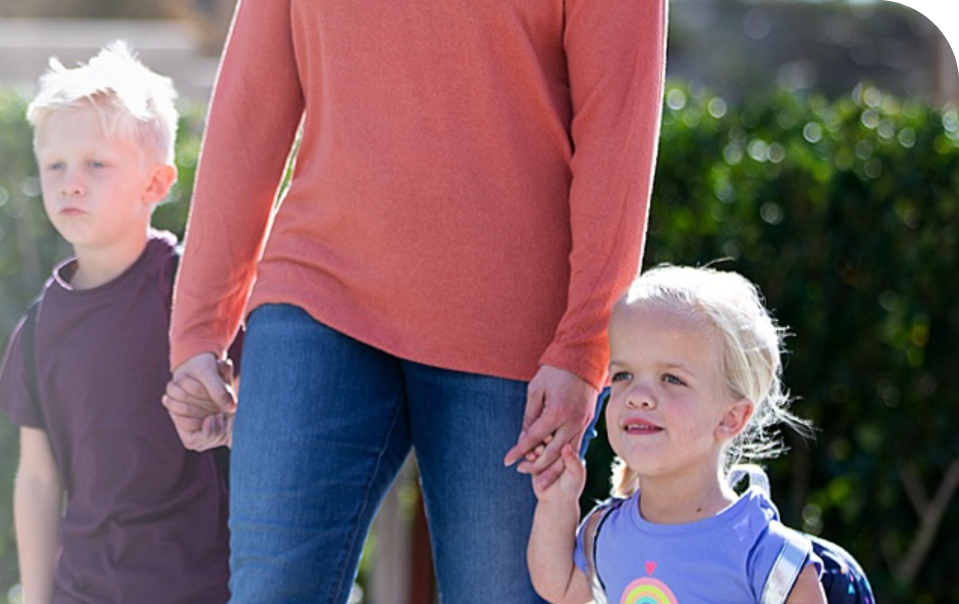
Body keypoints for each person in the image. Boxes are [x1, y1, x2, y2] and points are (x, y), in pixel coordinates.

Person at [160, 2, 667, 601]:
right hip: (317, 289)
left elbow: (618, 129)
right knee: (271, 591)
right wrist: (198, 329)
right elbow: (250, 104)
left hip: (512, 335)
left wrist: (585, 344)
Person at [0, 41, 229, 604]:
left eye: (96, 164)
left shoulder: (191, 291)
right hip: (84, 593)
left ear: (156, 184)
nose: (71, 182)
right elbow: (39, 479)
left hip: (204, 590)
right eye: (56, 166)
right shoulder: (39, 327)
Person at [526, 265, 827, 604]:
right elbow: (560, 588)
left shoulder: (765, 553)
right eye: (623, 374)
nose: (637, 395)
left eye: (672, 379)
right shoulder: (605, 532)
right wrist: (558, 504)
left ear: (731, 418)